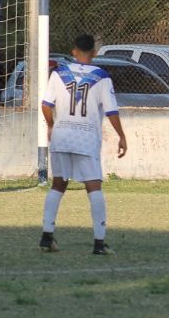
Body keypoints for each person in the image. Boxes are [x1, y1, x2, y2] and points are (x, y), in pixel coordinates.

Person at [39, 34, 127, 254]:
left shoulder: (59, 73)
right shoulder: (102, 77)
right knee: (93, 186)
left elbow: (46, 104)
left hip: (61, 134)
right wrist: (121, 135)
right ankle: (99, 243)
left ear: (74, 51)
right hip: (86, 137)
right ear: (95, 53)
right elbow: (111, 111)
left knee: (58, 184)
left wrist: (51, 126)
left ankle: (47, 236)